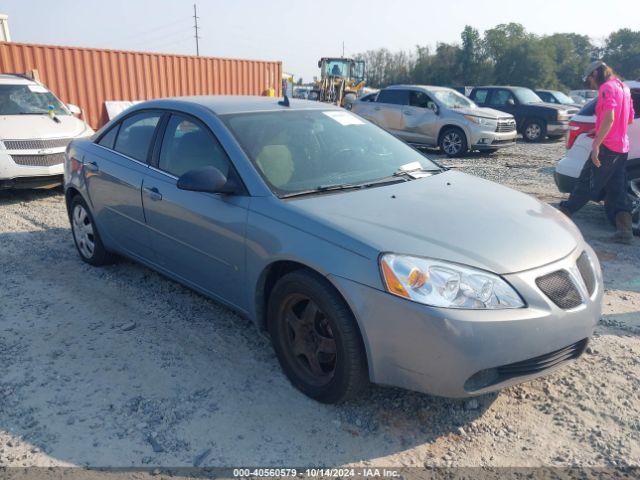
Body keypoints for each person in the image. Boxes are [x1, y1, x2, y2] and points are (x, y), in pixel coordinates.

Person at [559, 61, 635, 244]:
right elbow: (629, 119)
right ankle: (625, 231)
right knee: (617, 191)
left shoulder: (607, 88)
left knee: (585, 184)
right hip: (621, 148)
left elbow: (610, 117)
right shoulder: (623, 88)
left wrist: (596, 144)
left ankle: (559, 223)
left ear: (595, 74)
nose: (591, 85)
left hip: (607, 148)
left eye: (590, 80)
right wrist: (600, 129)